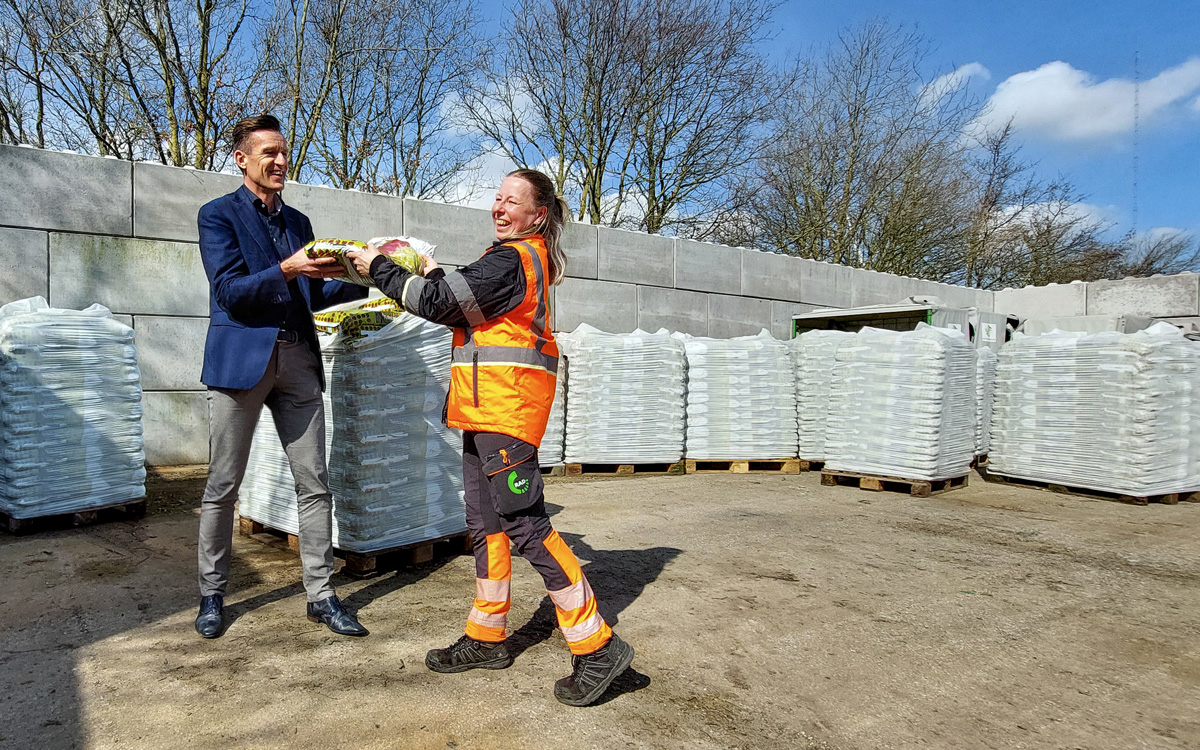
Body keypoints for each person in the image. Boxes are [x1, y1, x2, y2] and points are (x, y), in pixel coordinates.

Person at [347, 168, 635, 707]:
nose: (499, 209)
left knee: (526, 525)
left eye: (512, 202)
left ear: (538, 215)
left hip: (507, 412)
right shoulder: (511, 259)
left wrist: (378, 267)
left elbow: (436, 304)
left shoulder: (514, 259)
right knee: (484, 525)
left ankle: (596, 644)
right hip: (484, 411)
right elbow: (458, 299)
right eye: (496, 199)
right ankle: (488, 636)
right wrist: (430, 271)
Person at [194, 114, 369, 639]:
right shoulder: (217, 215)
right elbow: (230, 291)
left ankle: (320, 595)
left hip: (298, 360)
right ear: (241, 159)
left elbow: (314, 297)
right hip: (242, 363)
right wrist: (289, 269)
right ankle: (211, 594)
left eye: (284, 151)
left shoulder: (299, 223)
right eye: (268, 152)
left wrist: (370, 273)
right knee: (223, 483)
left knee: (314, 482)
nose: (279, 161)